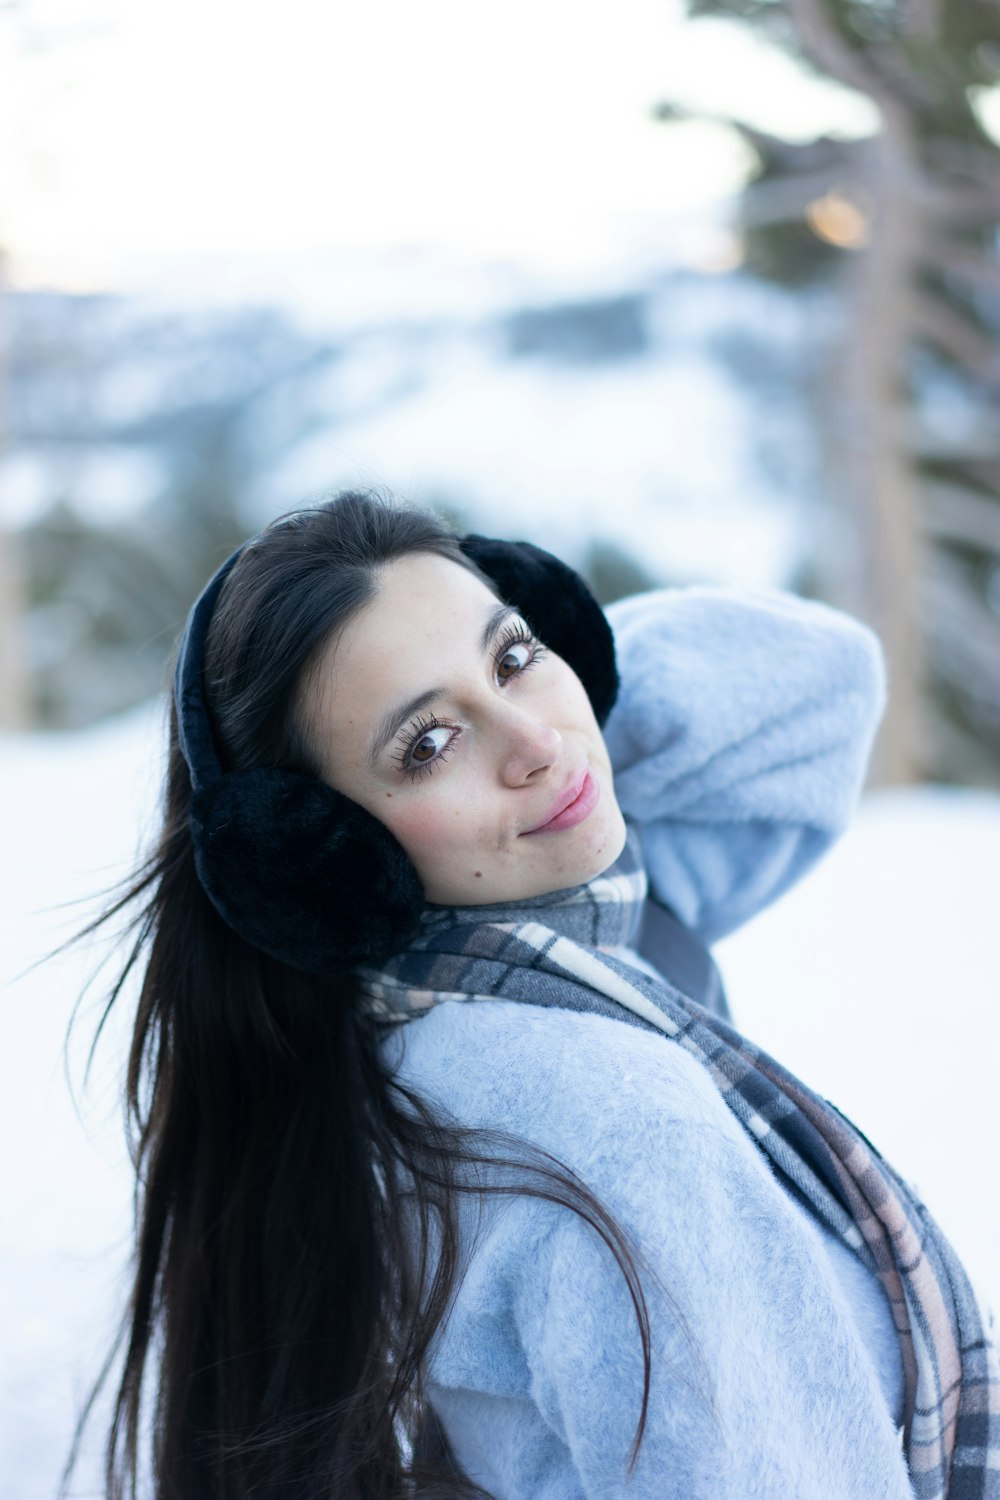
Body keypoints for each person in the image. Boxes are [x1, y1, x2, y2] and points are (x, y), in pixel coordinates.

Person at [86, 488, 998, 1500]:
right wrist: (503, 653)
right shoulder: (607, 1119)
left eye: (516, 654)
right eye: (427, 744)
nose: (536, 744)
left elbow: (821, 687)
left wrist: (500, 652)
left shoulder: (485, 997)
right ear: (323, 861)